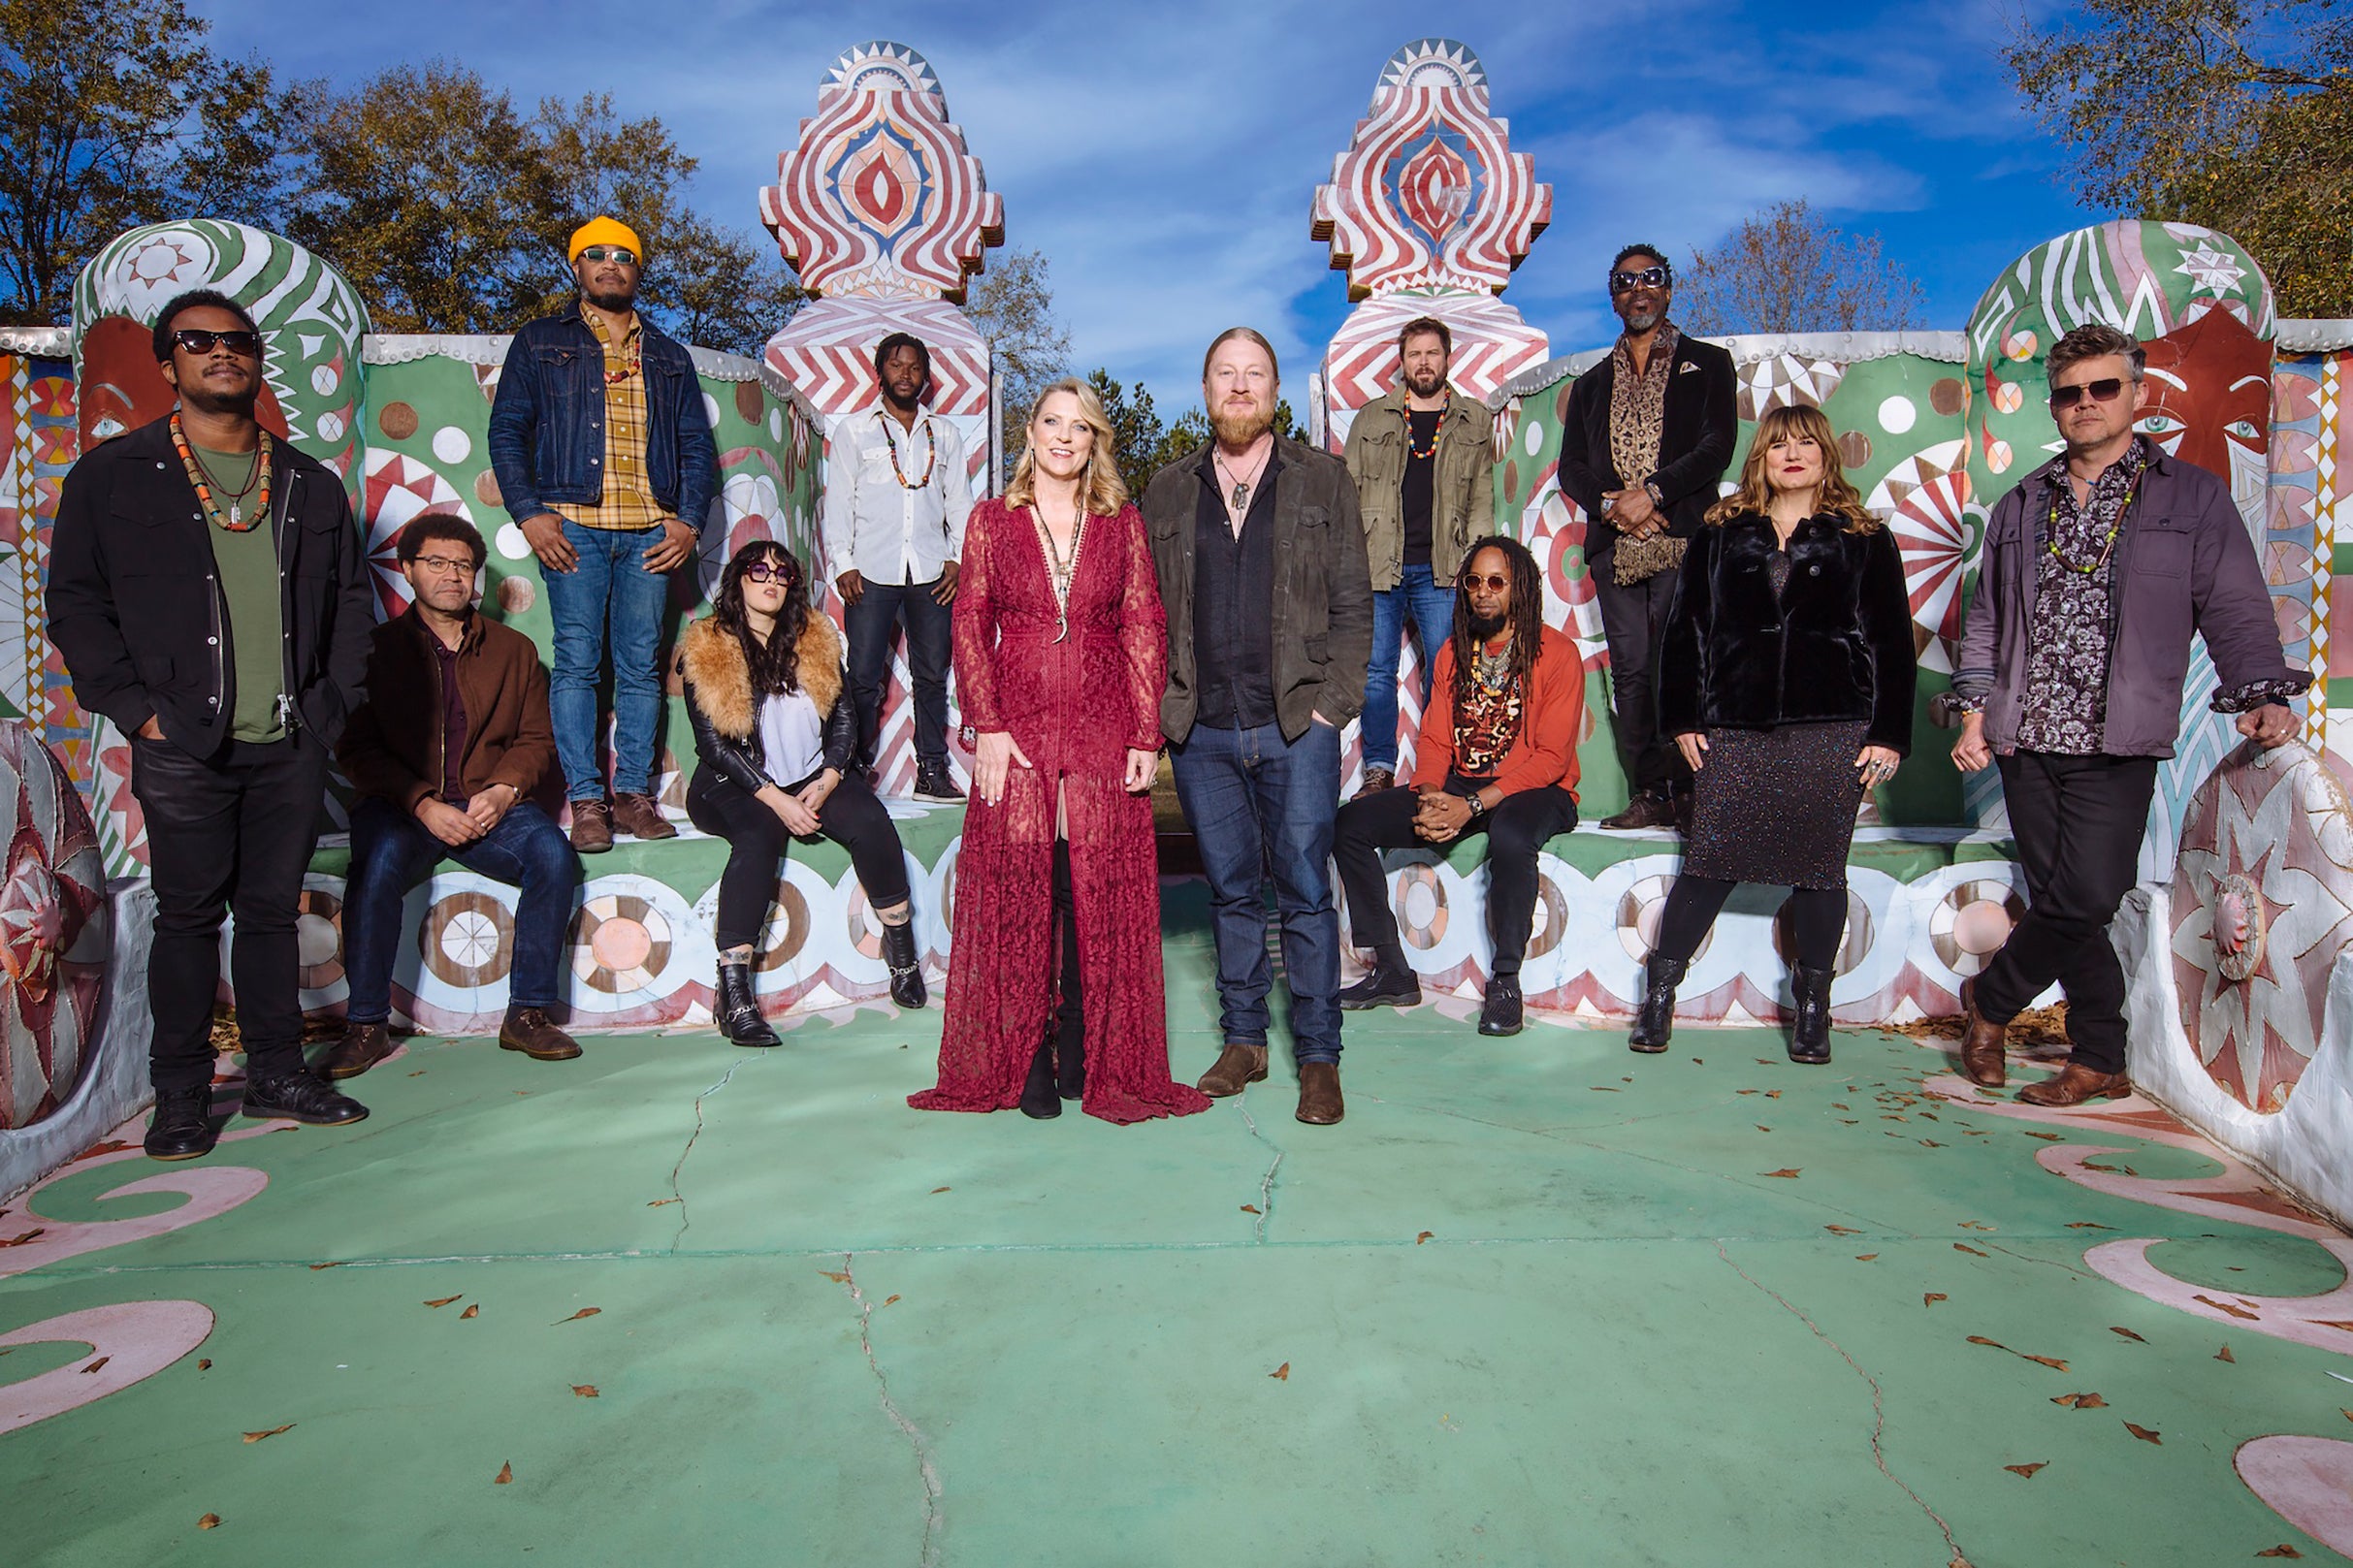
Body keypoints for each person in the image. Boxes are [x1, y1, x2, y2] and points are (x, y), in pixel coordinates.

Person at [49, 288, 374, 1160]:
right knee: (188, 918)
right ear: (170, 364)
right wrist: (136, 710)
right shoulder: (113, 476)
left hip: (289, 738)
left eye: (236, 341)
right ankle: (183, 1096)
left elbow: (351, 603)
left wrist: (331, 704)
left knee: (270, 913)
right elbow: (77, 604)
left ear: (256, 359)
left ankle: (275, 1073)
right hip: (182, 740)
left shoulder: (307, 482)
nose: (220, 353)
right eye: (198, 342)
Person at [1950, 323, 2306, 1104]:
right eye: (2071, 392)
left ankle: (1992, 1001)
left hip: (2119, 732)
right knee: (2062, 903)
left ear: (2137, 396)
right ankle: (2100, 1055)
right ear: (2054, 405)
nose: (2086, 404)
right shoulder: (2021, 502)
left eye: (2103, 388)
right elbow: (1987, 619)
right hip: (2025, 730)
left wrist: (2261, 689)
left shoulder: (2193, 497)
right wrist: (1975, 712)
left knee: (2089, 891)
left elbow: (2237, 604)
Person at [910, 378, 1209, 1123]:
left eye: (1080, 426)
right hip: (1021, 721)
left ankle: (1086, 1044)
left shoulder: (1122, 522)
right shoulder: (990, 521)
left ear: (1095, 439)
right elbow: (971, 622)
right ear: (1032, 433)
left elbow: (1143, 623)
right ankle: (1029, 1052)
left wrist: (1147, 732)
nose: (1064, 436)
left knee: (1094, 887)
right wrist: (988, 722)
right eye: (1052, 422)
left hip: (1106, 723)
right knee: (1023, 882)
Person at [1140, 328, 1373, 1126]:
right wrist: (1162, 713)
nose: (1240, 388)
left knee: (1306, 890)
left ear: (1275, 389)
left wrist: (1329, 707)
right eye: (1225, 374)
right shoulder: (1167, 491)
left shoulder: (1324, 481)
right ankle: (1245, 1041)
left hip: (1296, 723)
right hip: (1201, 730)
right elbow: (1147, 612)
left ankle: (1318, 1056)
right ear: (1205, 389)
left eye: (1255, 374)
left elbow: (1353, 601)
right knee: (1232, 891)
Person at [1633, 403, 1916, 1065]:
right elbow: (1684, 633)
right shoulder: (1720, 534)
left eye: (1806, 444)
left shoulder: (1865, 537)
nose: (1793, 454)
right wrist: (1682, 718)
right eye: (1779, 444)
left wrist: (1889, 733)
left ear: (1825, 456)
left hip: (1832, 728)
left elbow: (1891, 642)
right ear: (1759, 457)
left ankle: (1813, 1007)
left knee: (1821, 872)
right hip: (1735, 725)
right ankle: (1660, 994)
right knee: (1707, 864)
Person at [487, 215, 717, 853]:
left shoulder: (669, 355)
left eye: (624, 256)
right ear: (578, 268)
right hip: (574, 527)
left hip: (648, 530)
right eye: (596, 256)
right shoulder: (540, 341)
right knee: (578, 665)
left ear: (638, 270)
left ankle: (634, 797)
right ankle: (587, 801)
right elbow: (507, 431)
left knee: (642, 668)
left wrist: (689, 520)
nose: (610, 265)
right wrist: (530, 513)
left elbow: (697, 447)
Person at [331, 515, 583, 1076]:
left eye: (463, 565)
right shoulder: (373, 651)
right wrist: (422, 802)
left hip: (488, 806)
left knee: (552, 855)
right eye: (437, 563)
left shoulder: (515, 652)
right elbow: (355, 748)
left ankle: (528, 1017)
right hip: (403, 806)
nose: (452, 575)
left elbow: (538, 739)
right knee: (375, 865)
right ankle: (366, 1025)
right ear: (407, 570)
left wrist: (503, 789)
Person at [1334, 536, 1583, 1037]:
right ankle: (1391, 969)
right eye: (1473, 582)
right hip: (1459, 786)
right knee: (1350, 822)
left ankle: (1506, 981)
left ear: (1522, 589)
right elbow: (1435, 737)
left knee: (1512, 837)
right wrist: (1429, 797)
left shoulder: (1557, 653)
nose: (1483, 593)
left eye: (1496, 582)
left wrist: (1470, 805)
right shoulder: (1452, 653)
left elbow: (1551, 760)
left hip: (1537, 790)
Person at [679, 540, 924, 1043]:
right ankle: (735, 991)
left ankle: (900, 952)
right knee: (759, 834)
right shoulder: (707, 643)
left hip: (813, 774)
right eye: (758, 570)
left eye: (782, 573)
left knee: (871, 821)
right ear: (739, 580)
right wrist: (776, 798)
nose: (771, 580)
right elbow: (713, 746)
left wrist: (832, 776)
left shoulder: (815, 637)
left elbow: (844, 721)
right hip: (732, 781)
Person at [1558, 244, 1737, 831]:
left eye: (1650, 278)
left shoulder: (1707, 363)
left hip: (1681, 539)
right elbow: (1572, 468)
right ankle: (1653, 792)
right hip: (1616, 546)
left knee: (1680, 663)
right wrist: (1617, 506)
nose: (1639, 289)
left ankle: (1696, 793)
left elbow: (1715, 447)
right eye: (1626, 281)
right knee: (1632, 671)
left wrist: (1653, 494)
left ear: (1668, 288)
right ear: (1613, 296)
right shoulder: (1589, 386)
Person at [1341, 315, 1493, 799]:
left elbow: (1482, 501)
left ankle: (1437, 766)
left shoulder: (1473, 419)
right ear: (1402, 362)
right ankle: (1379, 769)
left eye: (1432, 353)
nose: (1423, 362)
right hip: (1379, 565)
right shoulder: (1371, 418)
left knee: (1447, 670)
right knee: (1377, 673)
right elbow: (1349, 492)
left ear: (1447, 358)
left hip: (1445, 569)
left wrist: (1477, 568)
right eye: (1414, 354)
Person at [824, 333, 972, 803]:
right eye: (895, 365)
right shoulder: (855, 431)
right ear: (879, 372)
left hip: (931, 573)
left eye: (914, 367)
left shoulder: (945, 433)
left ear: (926, 377)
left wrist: (957, 560)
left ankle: (932, 772)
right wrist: (843, 562)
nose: (905, 374)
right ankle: (850, 770)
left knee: (932, 675)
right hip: (869, 569)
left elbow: (961, 504)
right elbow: (839, 504)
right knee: (864, 677)